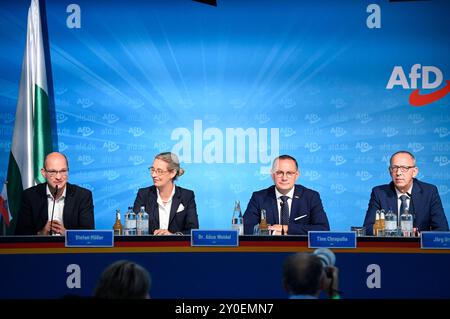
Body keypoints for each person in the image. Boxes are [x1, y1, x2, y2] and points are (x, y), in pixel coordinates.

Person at [363, 151, 449, 235]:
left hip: (419, 248)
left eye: (404, 168)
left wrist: (416, 235)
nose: (398, 173)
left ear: (414, 172)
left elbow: (442, 229)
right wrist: (396, 233)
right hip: (389, 247)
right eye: (394, 168)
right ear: (390, 171)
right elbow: (368, 228)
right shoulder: (379, 193)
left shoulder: (429, 192)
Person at [243, 154, 330, 235]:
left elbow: (323, 229)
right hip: (269, 249)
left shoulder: (311, 197)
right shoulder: (259, 197)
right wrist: (272, 232)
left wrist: (286, 229)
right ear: (272, 175)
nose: (284, 178)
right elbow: (246, 228)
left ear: (296, 175)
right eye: (279, 173)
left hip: (301, 250)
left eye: (289, 173)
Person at [15, 152, 94, 235]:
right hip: (41, 247)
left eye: (63, 171)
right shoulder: (29, 196)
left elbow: (88, 234)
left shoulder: (83, 196)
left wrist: (67, 234)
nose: (58, 177)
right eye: (53, 171)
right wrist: (42, 233)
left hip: (70, 248)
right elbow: (21, 234)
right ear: (43, 173)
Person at [133, 152, 199, 235]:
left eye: (159, 171)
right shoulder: (144, 194)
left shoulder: (187, 195)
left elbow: (193, 230)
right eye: (152, 170)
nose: (153, 175)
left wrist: (173, 236)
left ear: (172, 173)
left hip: (177, 247)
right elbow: (133, 226)